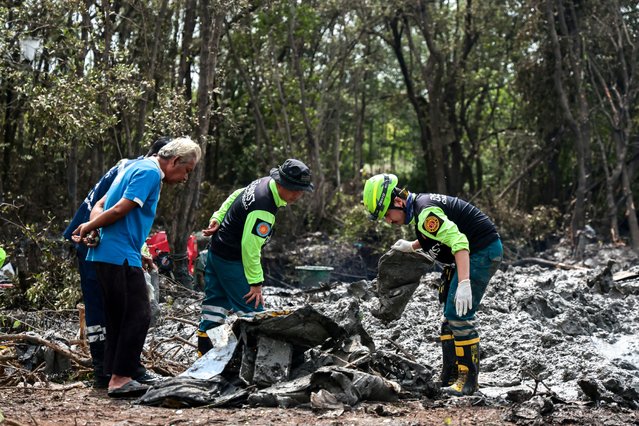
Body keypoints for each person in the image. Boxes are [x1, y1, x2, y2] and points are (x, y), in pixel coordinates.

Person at [72, 137, 202, 397]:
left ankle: (114, 375)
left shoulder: (133, 166)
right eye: (186, 171)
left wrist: (97, 229)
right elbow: (120, 209)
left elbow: (100, 205)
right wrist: (89, 227)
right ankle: (121, 379)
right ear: (175, 161)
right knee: (138, 314)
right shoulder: (151, 173)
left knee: (119, 316)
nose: (185, 178)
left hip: (110, 253)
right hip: (118, 255)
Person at [363, 173, 503, 396]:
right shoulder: (421, 209)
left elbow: (459, 242)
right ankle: (450, 377)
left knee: (459, 315)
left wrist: (465, 282)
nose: (388, 222)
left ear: (398, 202)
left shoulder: (426, 212)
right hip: (466, 254)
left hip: (480, 252)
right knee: (448, 317)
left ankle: (468, 383)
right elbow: (436, 236)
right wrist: (412, 246)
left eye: (388, 215)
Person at [62, 137, 171, 389]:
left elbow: (126, 219)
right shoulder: (142, 170)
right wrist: (92, 230)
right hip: (92, 239)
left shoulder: (135, 168)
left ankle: (119, 369)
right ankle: (106, 369)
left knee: (119, 307)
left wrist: (140, 249)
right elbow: (105, 207)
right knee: (110, 307)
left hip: (101, 237)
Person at [197, 159, 314, 357]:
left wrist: (218, 216)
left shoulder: (263, 182)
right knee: (254, 314)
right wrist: (256, 282)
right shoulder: (264, 209)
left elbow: (236, 194)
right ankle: (254, 360)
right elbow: (250, 248)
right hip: (232, 260)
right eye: (295, 189)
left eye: (301, 190)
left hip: (216, 251)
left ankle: (207, 355)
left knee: (214, 307)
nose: (298, 195)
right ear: (282, 184)